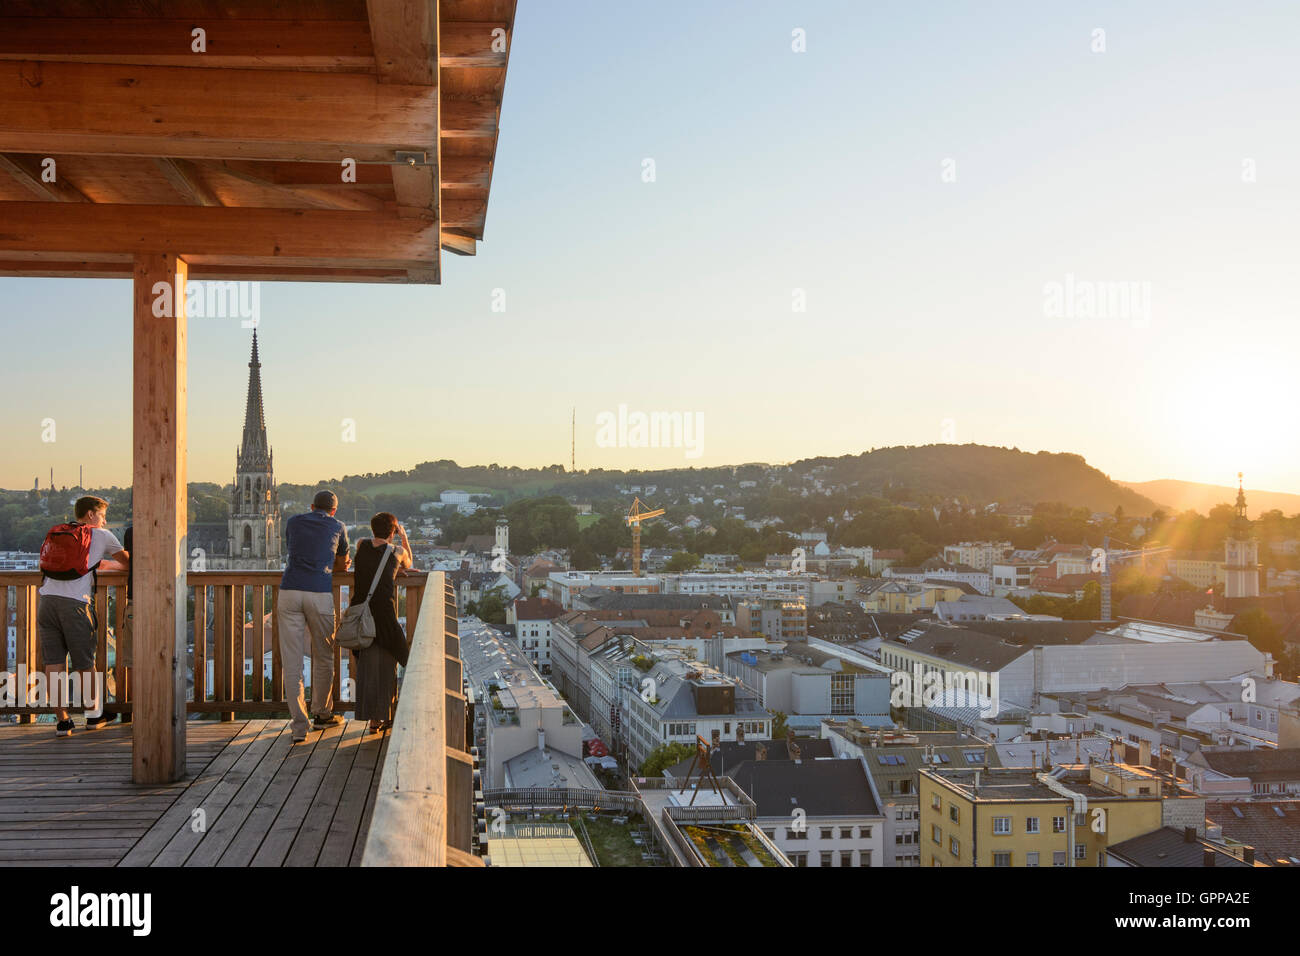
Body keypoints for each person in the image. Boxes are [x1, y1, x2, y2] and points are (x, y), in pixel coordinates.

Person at [36, 496, 129, 736]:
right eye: (102, 516)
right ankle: (93, 715)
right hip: (75, 605)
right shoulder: (102, 536)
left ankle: (62, 720)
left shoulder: (57, 532)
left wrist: (98, 564)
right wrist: (108, 565)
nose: (105, 521)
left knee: (53, 662)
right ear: (90, 515)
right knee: (84, 663)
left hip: (46, 601)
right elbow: (129, 563)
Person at [278, 490, 349, 743]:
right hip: (319, 592)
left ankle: (299, 726)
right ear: (333, 510)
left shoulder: (293, 522)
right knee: (324, 655)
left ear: (311, 506)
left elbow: (294, 549)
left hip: (289, 591)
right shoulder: (338, 526)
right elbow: (341, 565)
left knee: (292, 662)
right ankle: (322, 713)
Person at [350, 513, 413, 734]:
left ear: (372, 529)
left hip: (361, 613)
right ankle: (387, 715)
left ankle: (373, 721)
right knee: (398, 659)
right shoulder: (397, 551)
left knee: (366, 665)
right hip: (385, 615)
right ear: (393, 531)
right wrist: (403, 537)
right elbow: (409, 561)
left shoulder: (361, 544)